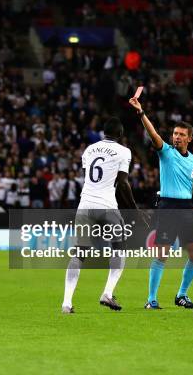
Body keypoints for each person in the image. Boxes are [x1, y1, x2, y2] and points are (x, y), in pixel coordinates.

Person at [129, 96, 193, 310]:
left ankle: (181, 295)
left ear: (190, 138)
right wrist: (141, 113)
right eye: (175, 133)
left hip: (187, 209)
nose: (177, 137)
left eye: (182, 134)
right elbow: (153, 133)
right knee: (162, 254)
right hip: (168, 207)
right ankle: (151, 299)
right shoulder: (166, 153)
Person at [62, 117, 140, 313]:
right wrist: (134, 209)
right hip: (107, 206)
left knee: (80, 253)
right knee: (119, 249)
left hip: (85, 204)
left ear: (104, 133)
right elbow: (122, 183)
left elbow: (90, 175)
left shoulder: (89, 150)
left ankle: (66, 303)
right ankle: (107, 292)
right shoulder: (124, 151)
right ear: (121, 135)